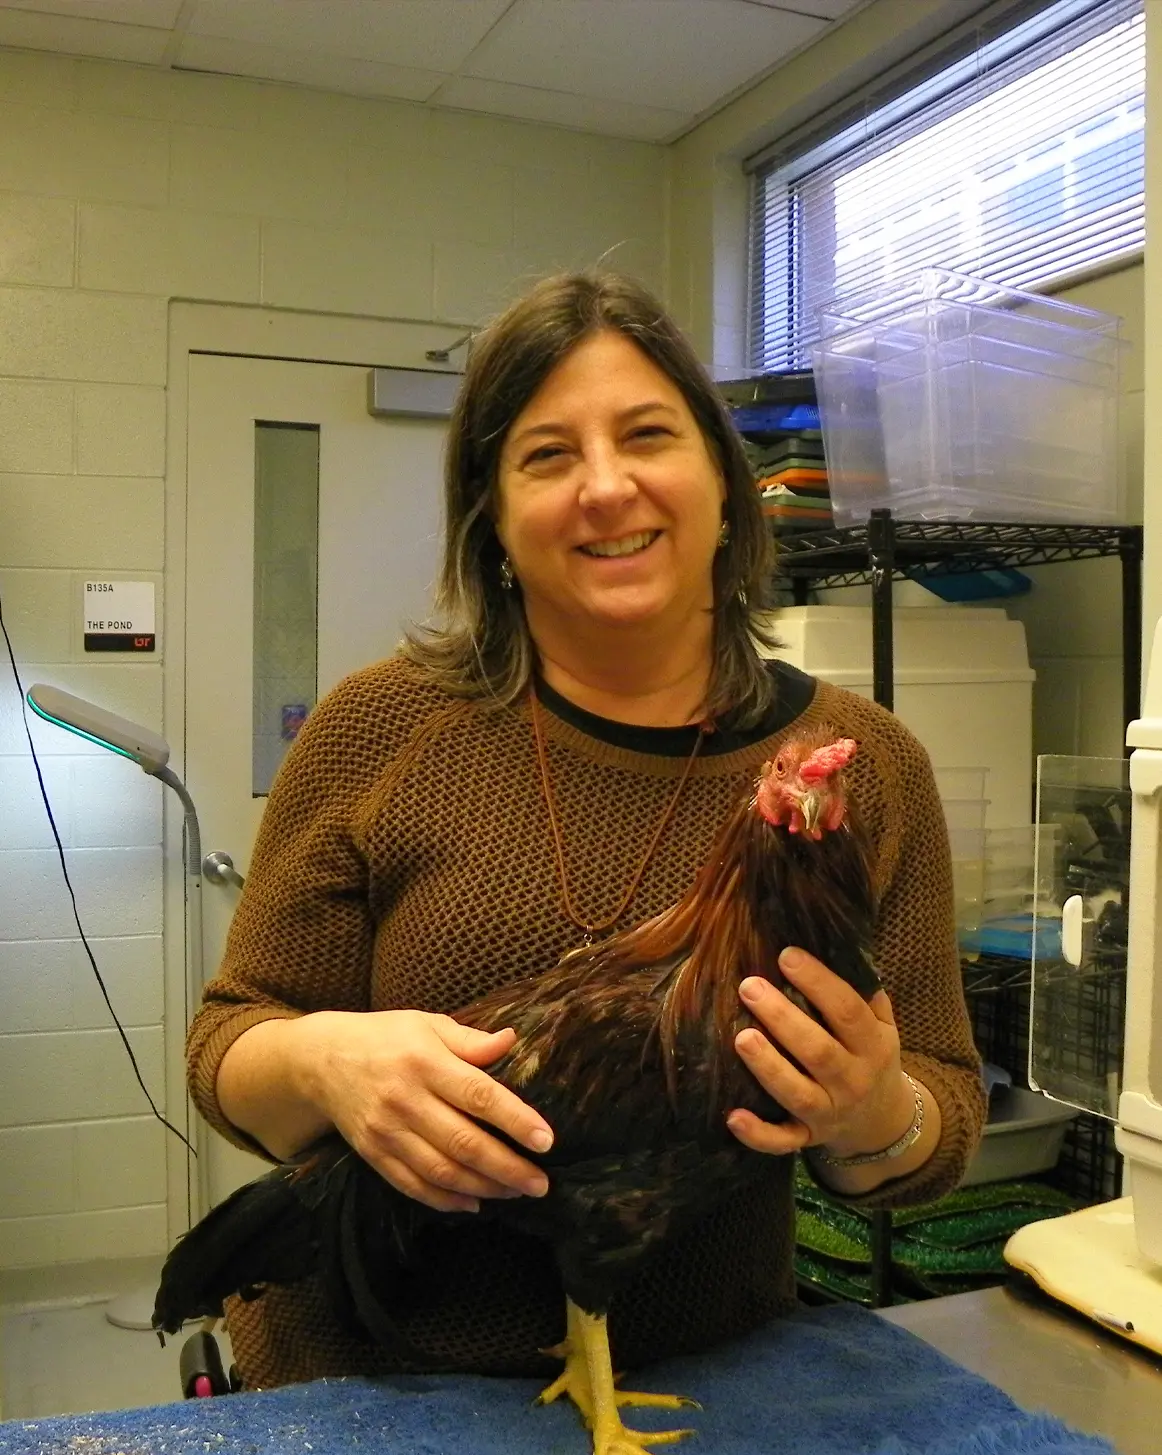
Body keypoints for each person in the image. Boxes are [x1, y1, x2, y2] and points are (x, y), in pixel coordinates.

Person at [187, 270, 985, 1390]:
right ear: (495, 522)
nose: (606, 488)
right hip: (362, 1390)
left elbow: (940, 1116)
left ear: (723, 485)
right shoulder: (380, 727)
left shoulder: (857, 770)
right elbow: (228, 1045)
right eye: (547, 455)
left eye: (648, 435)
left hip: (710, 1399)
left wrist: (874, 1111)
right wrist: (323, 1062)